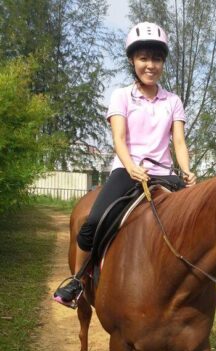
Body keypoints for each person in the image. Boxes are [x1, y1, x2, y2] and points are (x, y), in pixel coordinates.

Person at [54, 21, 196, 308]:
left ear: (163, 63)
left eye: (156, 58)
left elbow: (179, 142)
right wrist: (130, 166)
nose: (150, 65)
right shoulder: (121, 96)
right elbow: (118, 138)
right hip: (128, 171)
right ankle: (78, 281)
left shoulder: (173, 101)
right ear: (132, 60)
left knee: (196, 224)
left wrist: (187, 170)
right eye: (144, 58)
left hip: (164, 175)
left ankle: (196, 286)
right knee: (91, 223)